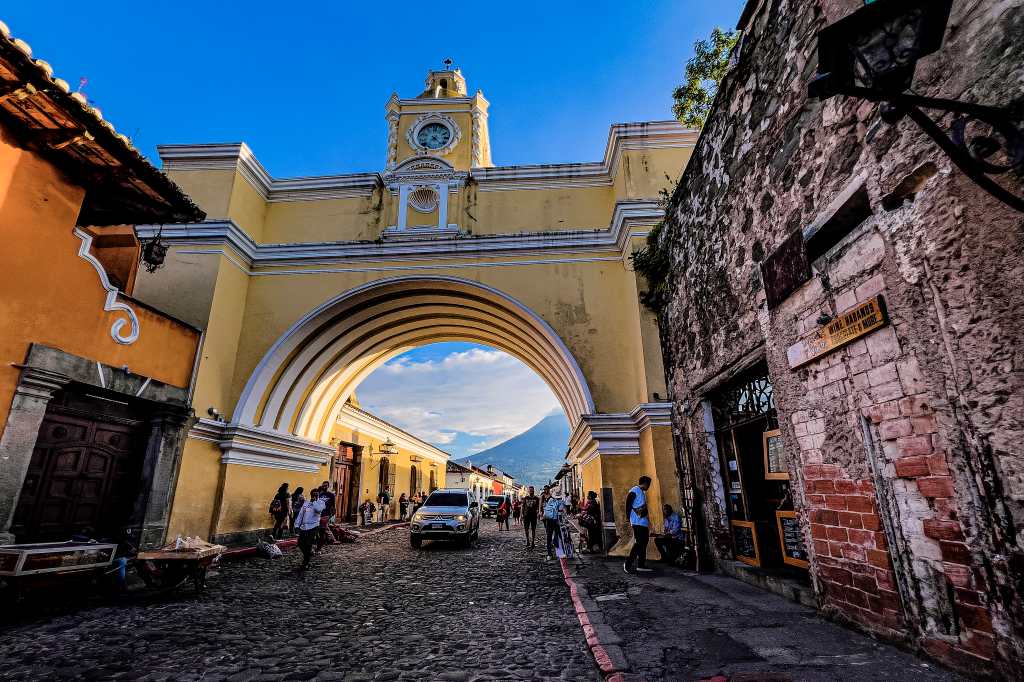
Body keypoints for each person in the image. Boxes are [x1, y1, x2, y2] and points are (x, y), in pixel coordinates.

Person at [624, 476, 653, 574]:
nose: (649, 486)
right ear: (645, 483)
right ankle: (628, 564)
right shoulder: (635, 490)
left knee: (643, 543)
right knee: (639, 543)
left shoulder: (641, 492)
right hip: (637, 522)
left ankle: (641, 564)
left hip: (642, 522)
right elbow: (628, 504)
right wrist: (628, 517)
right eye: (648, 484)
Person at [294, 489, 326, 570]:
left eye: (316, 495)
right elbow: (301, 514)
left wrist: (314, 501)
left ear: (318, 495)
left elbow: (318, 509)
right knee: (300, 543)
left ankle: (306, 562)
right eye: (313, 494)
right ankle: (307, 555)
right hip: (304, 527)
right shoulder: (306, 503)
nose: (314, 496)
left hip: (314, 526)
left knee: (308, 544)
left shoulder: (321, 503)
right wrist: (297, 525)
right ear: (310, 494)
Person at [542, 490, 566, 560]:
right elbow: (563, 512)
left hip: (549, 521)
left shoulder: (550, 500)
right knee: (560, 537)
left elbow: (546, 510)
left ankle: (549, 555)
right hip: (557, 521)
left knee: (549, 537)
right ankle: (560, 553)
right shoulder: (561, 502)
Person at [317, 481, 336, 551]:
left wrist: (331, 515)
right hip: (318, 515)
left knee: (322, 531)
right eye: (323, 485)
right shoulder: (319, 494)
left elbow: (333, 506)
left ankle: (319, 547)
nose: (324, 487)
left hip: (326, 515)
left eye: (325, 485)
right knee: (318, 531)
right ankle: (321, 542)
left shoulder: (331, 495)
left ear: (328, 486)